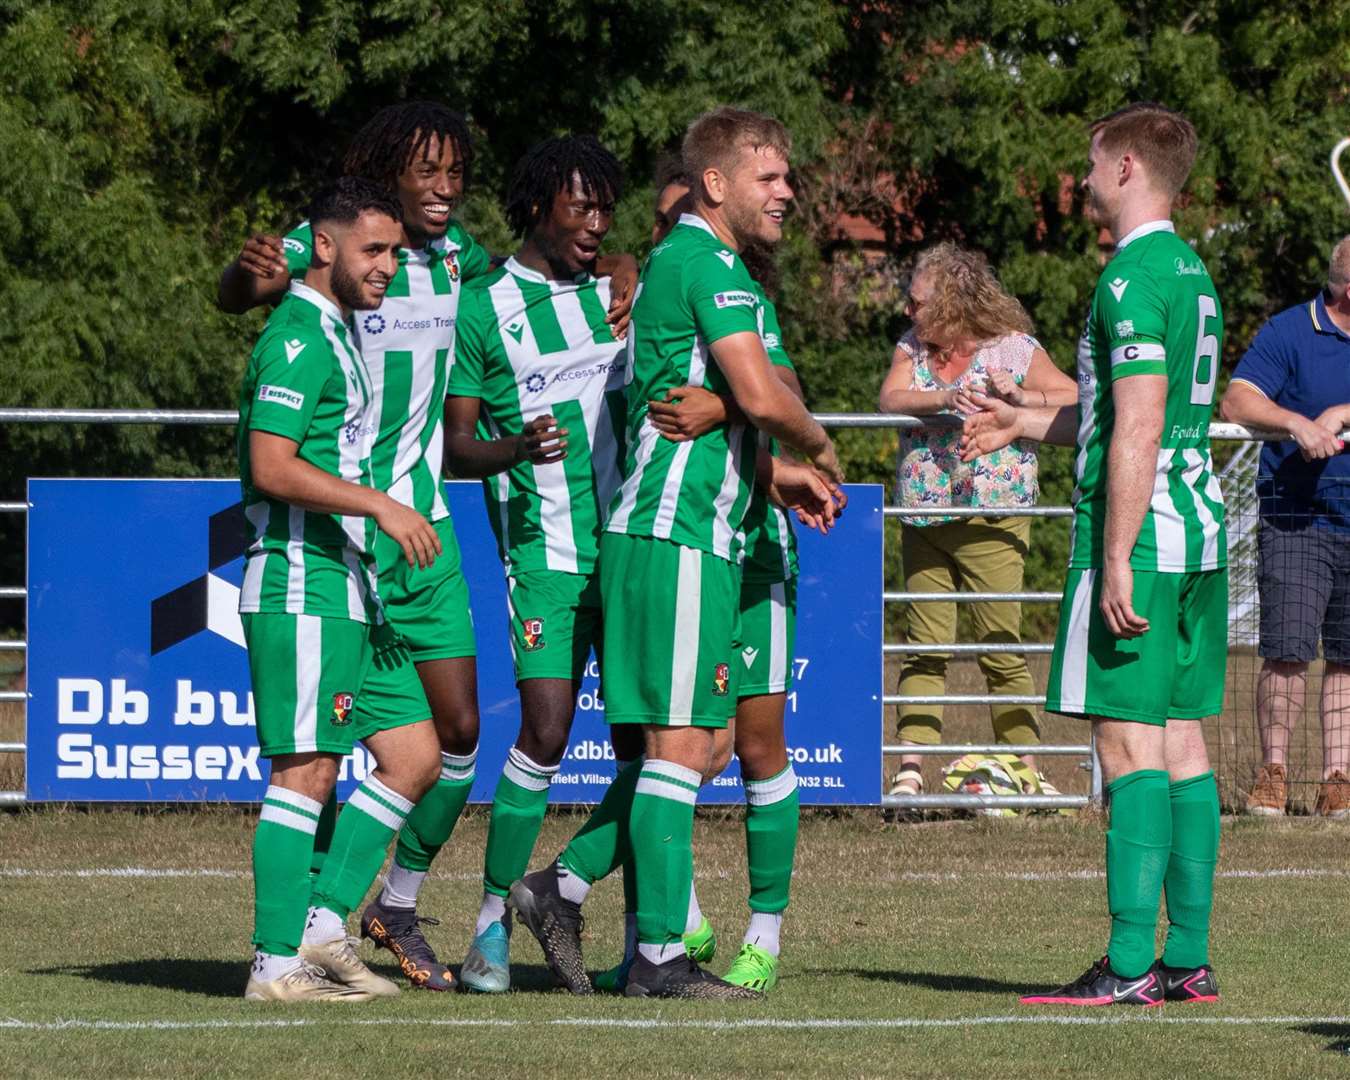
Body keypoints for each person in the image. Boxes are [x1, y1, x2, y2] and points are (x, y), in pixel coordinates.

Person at [219, 102, 638, 991]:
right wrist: (240, 274)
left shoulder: (459, 262)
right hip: (340, 533)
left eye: (457, 171)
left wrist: (627, 263)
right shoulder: (331, 252)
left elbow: (545, 266)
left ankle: (378, 906)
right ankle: (294, 939)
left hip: (422, 536)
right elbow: (254, 289)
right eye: (428, 170)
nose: (446, 187)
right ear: (387, 174)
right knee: (317, 759)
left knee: (450, 740)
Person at [508, 106, 844, 1001]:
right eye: (770, 178)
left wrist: (774, 467)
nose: (788, 193)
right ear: (719, 184)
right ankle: (655, 953)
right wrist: (818, 445)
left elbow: (742, 398)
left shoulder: (712, 267)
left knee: (690, 747)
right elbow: (765, 397)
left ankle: (566, 890)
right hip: (675, 529)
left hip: (700, 531)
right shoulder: (701, 259)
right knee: (681, 746)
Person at [962, 102, 1226, 1006]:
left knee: (1125, 742)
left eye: (1089, 163)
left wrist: (1114, 554)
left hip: (1145, 534)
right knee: (1183, 743)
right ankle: (1185, 957)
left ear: (1124, 169)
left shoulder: (1129, 277)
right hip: (1198, 529)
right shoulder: (1192, 273)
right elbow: (1124, 410)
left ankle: (1124, 967)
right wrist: (1025, 421)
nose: (1079, 179)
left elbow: (1140, 421)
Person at [441, 134, 644, 993]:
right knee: (548, 732)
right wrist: (514, 445)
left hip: (636, 546)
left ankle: (634, 927)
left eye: (607, 208)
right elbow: (455, 447)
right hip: (545, 552)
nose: (597, 223)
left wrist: (634, 259)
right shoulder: (483, 308)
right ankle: (492, 925)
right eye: (580, 206)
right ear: (536, 207)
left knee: (650, 747)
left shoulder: (617, 293)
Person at [238, 177, 444, 1002]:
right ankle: (272, 962)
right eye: (374, 250)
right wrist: (382, 506)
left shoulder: (337, 333)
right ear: (323, 247)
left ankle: (324, 926)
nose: (389, 266)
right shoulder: (298, 335)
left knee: (414, 755)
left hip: (352, 588)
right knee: (306, 774)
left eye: (395, 251)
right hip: (301, 579)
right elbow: (271, 465)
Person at [878, 242, 1077, 804]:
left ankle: (1025, 769)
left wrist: (1021, 395)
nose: (908, 312)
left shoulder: (1014, 347)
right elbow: (890, 396)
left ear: (953, 303)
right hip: (925, 514)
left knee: (1000, 644)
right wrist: (941, 397)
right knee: (924, 644)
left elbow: (1073, 395)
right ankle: (909, 769)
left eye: (918, 303)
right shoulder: (911, 347)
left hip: (994, 516)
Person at [1219, 237, 1350, 819]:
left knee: (1346, 657)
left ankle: (1337, 780)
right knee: (1288, 649)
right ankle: (1272, 774)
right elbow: (1238, 400)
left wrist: (1342, 413)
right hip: (1297, 515)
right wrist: (1295, 422)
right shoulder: (1290, 332)